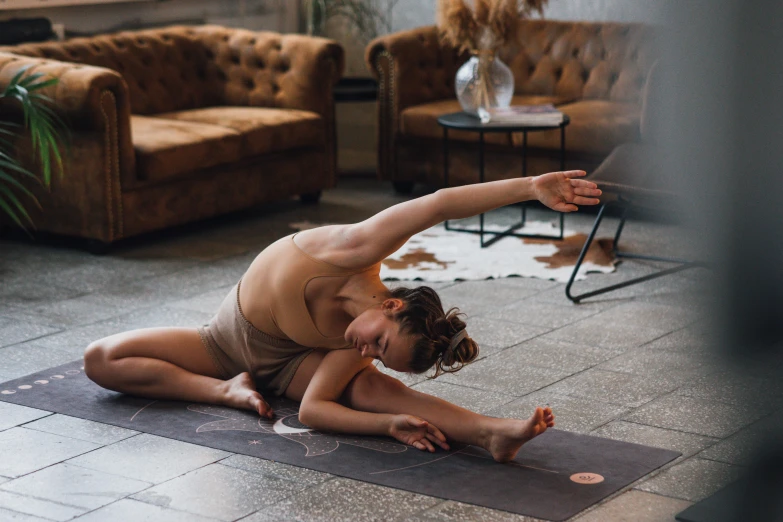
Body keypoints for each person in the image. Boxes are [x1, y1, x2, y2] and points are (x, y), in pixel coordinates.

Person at [84, 170, 601, 462]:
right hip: (220, 345)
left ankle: (491, 432)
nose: (365, 351)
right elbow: (439, 203)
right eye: (378, 343)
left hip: (290, 368)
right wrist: (530, 187)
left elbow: (313, 410)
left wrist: (387, 424)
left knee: (375, 390)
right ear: (391, 304)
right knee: (102, 359)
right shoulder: (354, 249)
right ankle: (225, 392)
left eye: (377, 354)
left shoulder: (346, 345)